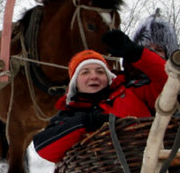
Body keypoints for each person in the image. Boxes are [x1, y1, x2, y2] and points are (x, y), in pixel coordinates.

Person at [33, 29, 168, 163]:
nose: (94, 76)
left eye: (100, 71)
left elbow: (169, 82)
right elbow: (43, 146)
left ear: (108, 77)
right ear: (75, 82)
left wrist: (135, 53)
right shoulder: (69, 115)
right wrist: (87, 122)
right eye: (85, 72)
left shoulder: (133, 92)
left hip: (155, 168)